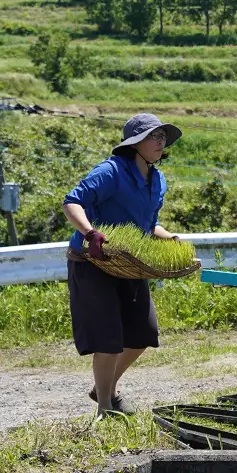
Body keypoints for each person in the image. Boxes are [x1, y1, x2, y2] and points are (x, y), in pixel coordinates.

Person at [61, 113, 183, 415]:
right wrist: (90, 233)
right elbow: (71, 202)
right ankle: (105, 407)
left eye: (163, 137)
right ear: (135, 143)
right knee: (107, 340)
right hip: (94, 261)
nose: (160, 141)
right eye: (153, 136)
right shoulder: (111, 171)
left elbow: (146, 225)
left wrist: (169, 238)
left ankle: (103, 389)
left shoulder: (158, 180)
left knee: (143, 334)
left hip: (129, 263)